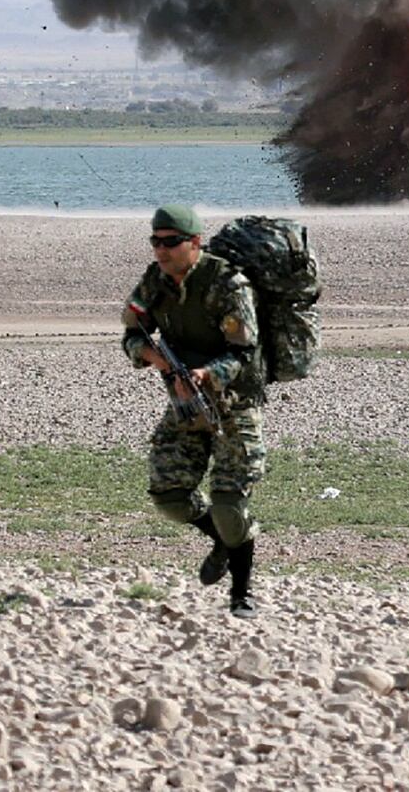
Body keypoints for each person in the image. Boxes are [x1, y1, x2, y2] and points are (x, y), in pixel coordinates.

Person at [122, 205, 267, 618]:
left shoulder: (227, 283)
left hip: (234, 406)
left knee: (229, 506)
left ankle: (241, 594)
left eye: (171, 242)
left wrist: (206, 374)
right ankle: (220, 540)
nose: (161, 250)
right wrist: (152, 356)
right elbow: (131, 333)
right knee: (168, 496)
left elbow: (243, 352)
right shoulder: (155, 281)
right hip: (186, 405)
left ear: (195, 243)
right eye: (155, 241)